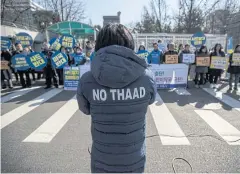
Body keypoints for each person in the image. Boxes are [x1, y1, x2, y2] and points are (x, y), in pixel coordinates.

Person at [77, 23, 156, 173]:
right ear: (130, 43)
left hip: (102, 158)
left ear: (99, 44)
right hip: (134, 158)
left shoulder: (87, 79)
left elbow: (84, 109)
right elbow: (150, 100)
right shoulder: (147, 77)